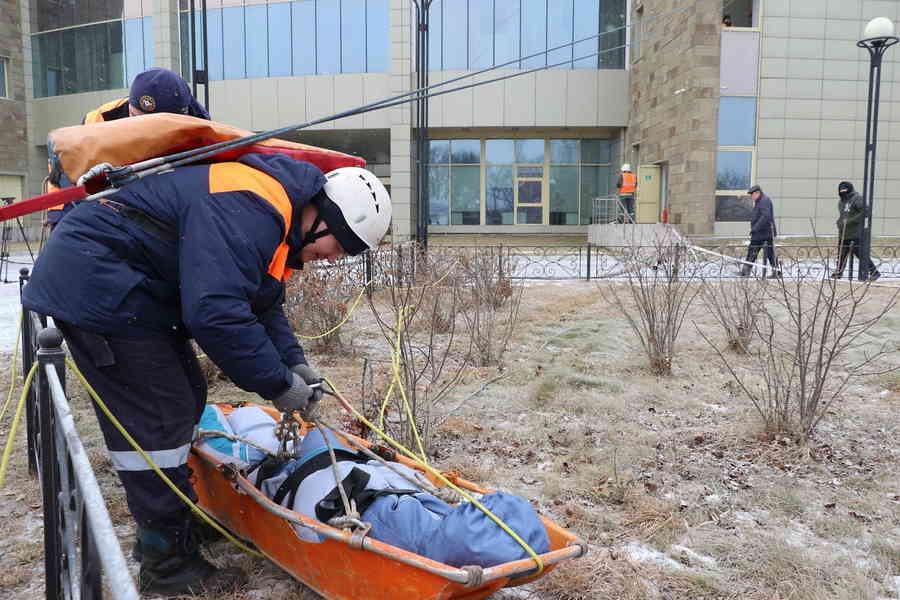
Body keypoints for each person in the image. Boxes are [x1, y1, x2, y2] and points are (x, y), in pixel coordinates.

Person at [22, 154, 392, 597]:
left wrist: (294, 365)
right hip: (99, 285)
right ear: (325, 220)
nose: (331, 260)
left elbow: (261, 302)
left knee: (187, 394)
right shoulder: (255, 208)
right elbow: (217, 313)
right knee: (159, 415)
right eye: (338, 247)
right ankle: (166, 561)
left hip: (128, 286)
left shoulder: (274, 216)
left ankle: (175, 520)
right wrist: (277, 385)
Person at [198, 405, 550, 568]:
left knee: (258, 424)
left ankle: (212, 417)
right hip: (342, 483)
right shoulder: (439, 529)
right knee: (305, 436)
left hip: (324, 485)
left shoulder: (433, 529)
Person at [46, 68, 210, 228]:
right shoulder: (101, 120)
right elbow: (70, 171)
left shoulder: (203, 133)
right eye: (134, 116)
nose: (138, 128)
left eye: (151, 126)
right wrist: (61, 219)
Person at [831, 181, 880, 280]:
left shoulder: (857, 199)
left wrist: (850, 221)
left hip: (855, 234)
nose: (843, 193)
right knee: (841, 255)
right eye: (841, 191)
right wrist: (839, 222)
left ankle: (874, 272)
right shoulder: (841, 202)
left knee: (861, 255)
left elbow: (866, 211)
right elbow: (843, 215)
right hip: (843, 234)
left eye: (845, 191)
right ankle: (839, 272)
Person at [740, 184, 780, 278]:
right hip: (762, 233)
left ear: (758, 193)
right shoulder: (760, 201)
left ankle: (746, 272)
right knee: (756, 252)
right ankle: (745, 272)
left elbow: (765, 216)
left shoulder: (764, 201)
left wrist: (755, 228)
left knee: (761, 252)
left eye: (752, 194)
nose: (751, 197)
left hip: (764, 233)